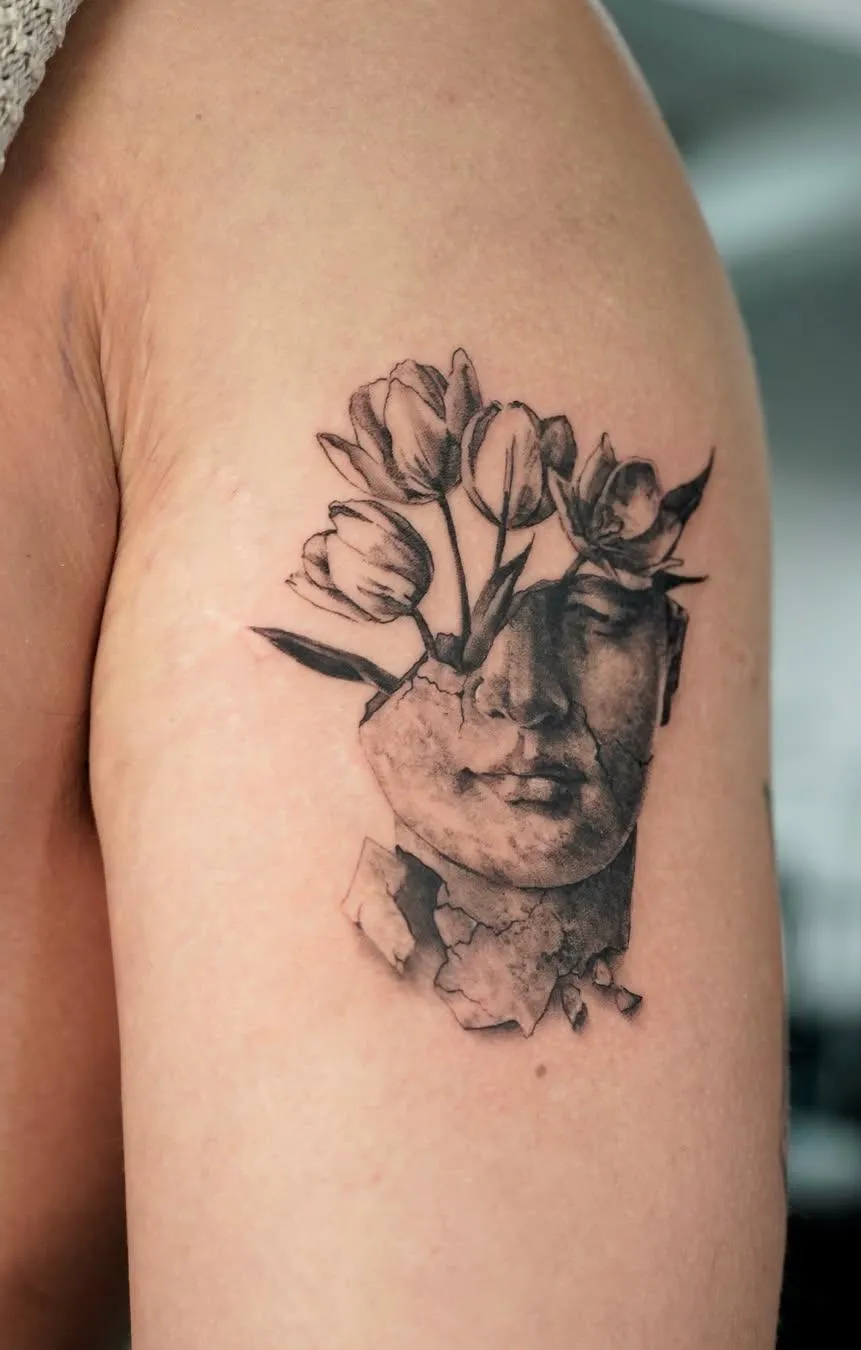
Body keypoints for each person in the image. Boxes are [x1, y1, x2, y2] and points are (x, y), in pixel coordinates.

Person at [0, 2, 786, 1346]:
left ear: (669, 668)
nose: (527, 692)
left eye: (599, 617)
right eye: (484, 641)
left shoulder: (378, 78)